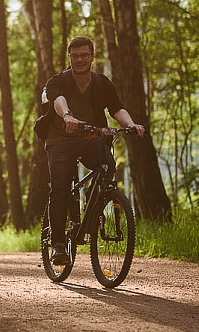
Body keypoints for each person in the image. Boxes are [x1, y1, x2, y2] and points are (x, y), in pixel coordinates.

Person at [43, 36, 145, 265]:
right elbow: (58, 100)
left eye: (84, 55)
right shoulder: (58, 81)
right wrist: (67, 115)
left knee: (108, 167)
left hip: (90, 137)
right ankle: (58, 245)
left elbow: (117, 108)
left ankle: (93, 205)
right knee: (60, 187)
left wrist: (130, 124)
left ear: (92, 57)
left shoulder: (102, 83)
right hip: (60, 139)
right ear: (69, 57)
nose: (80, 60)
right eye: (75, 55)